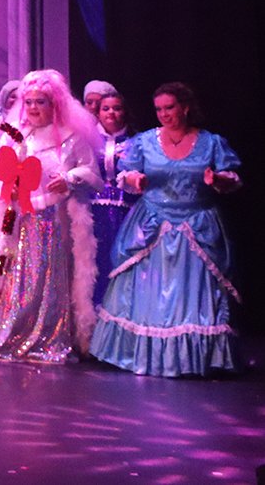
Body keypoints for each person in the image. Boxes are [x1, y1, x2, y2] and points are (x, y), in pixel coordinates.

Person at [0, 69, 101, 365]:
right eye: (29, 102)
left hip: (52, 224)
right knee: (7, 277)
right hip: (14, 224)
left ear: (54, 104)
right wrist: (9, 186)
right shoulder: (14, 134)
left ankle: (46, 334)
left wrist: (69, 178)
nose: (34, 108)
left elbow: (92, 173)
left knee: (46, 279)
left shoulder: (70, 138)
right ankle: (8, 330)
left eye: (41, 102)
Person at [90, 82, 242, 377]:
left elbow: (232, 178)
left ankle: (195, 359)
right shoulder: (145, 141)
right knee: (145, 294)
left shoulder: (210, 142)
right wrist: (135, 180)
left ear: (185, 107)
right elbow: (126, 173)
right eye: (159, 109)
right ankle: (136, 354)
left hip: (196, 224)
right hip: (153, 223)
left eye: (169, 107)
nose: (163, 114)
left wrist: (217, 180)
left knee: (195, 297)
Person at [89, 88, 135, 305]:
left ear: (124, 112)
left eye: (117, 108)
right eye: (105, 109)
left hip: (126, 207)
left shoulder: (136, 141)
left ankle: (120, 306)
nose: (111, 113)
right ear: (98, 113)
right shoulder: (88, 139)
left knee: (121, 253)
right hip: (93, 206)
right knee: (95, 256)